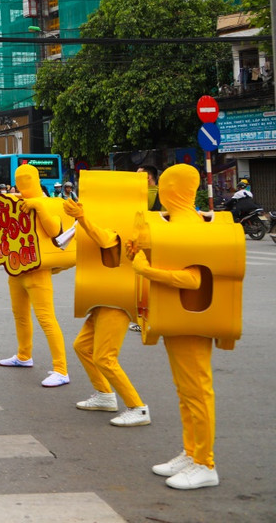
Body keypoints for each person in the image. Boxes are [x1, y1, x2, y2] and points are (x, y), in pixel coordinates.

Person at [128, 164, 226, 490]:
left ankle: (205, 463)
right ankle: (191, 451)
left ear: (176, 190)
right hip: (177, 319)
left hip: (193, 319)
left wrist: (146, 268)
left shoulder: (192, 226)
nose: (160, 191)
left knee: (197, 391)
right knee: (185, 392)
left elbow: (195, 278)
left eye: (164, 186)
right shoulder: (173, 223)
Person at [63, 196, 150, 428]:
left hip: (117, 302)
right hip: (101, 300)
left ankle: (137, 407)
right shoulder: (102, 227)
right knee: (82, 346)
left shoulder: (115, 231)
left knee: (105, 358)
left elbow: (103, 239)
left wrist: (82, 218)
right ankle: (104, 395)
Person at [0, 164, 69, 388]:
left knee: (46, 318)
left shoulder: (46, 201)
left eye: (26, 179)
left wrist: (39, 206)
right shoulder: (15, 201)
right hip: (16, 267)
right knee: (19, 314)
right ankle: (23, 355)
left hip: (38, 271)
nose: (22, 183)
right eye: (19, 179)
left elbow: (56, 231)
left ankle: (61, 369)